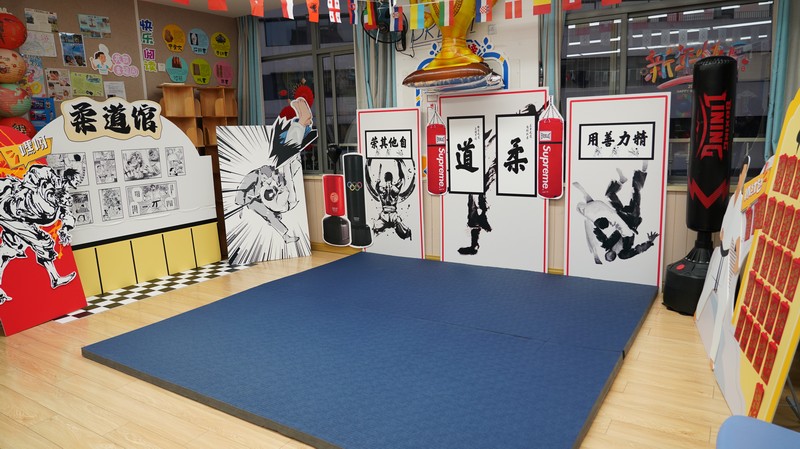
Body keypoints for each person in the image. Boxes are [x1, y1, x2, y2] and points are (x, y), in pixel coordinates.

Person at [0, 164, 83, 305]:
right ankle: (55, 278)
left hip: (20, 217)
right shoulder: (49, 179)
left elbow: (67, 216)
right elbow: (35, 171)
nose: (78, 181)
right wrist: (27, 187)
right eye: (76, 178)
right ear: (70, 177)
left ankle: (55, 278)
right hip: (9, 212)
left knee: (10, 249)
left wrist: (64, 230)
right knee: (42, 242)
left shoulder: (60, 203)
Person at [366, 159, 415, 240]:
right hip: (393, 215)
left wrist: (377, 182)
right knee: (406, 232)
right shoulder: (395, 188)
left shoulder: (381, 189)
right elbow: (402, 178)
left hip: (384, 215)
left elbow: (371, 182)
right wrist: (399, 164)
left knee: (374, 229)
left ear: (384, 179)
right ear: (392, 179)